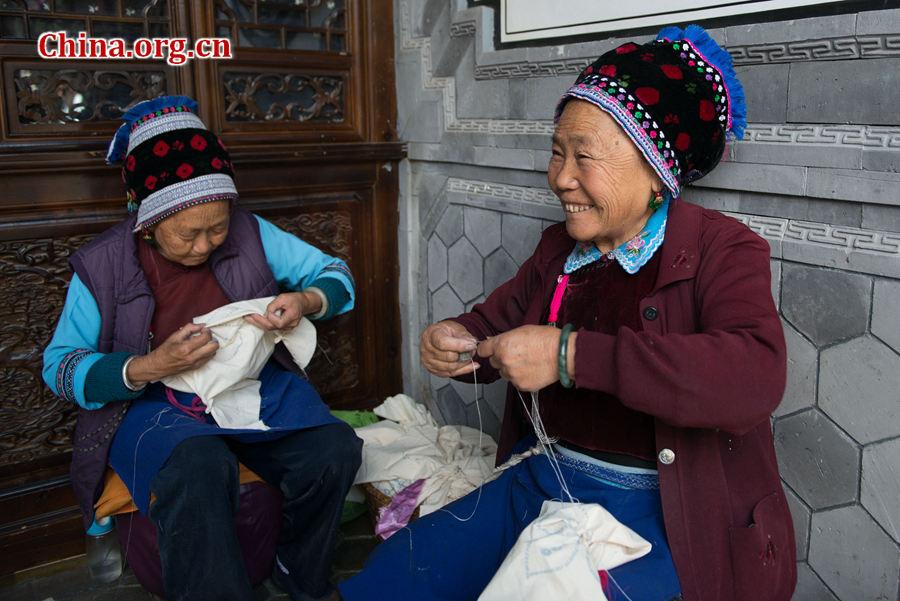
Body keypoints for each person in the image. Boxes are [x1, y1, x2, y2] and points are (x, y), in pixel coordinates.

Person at [339, 25, 794, 601]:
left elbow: (753, 378)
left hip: (668, 509)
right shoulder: (559, 251)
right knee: (398, 575)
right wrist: (455, 342)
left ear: (657, 171)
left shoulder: (722, 250)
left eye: (584, 157)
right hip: (544, 479)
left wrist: (569, 355)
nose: (560, 177)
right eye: (557, 152)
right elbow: (492, 327)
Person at [43, 96, 360, 601]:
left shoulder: (251, 233)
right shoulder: (101, 265)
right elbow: (59, 368)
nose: (205, 244)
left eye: (216, 227)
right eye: (187, 233)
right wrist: (148, 365)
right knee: (198, 463)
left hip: (247, 388)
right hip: (148, 404)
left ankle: (299, 572)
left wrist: (306, 299)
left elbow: (337, 275)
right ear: (146, 219)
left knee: (334, 450)